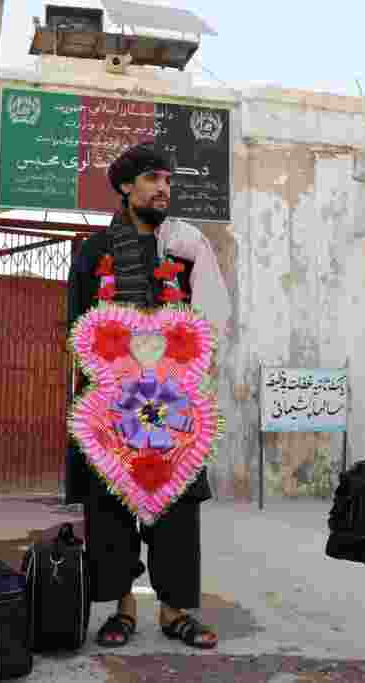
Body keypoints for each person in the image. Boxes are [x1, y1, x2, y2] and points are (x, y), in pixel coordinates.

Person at [65, 143, 230, 650]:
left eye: (167, 180)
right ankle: (123, 609)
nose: (162, 189)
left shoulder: (182, 252)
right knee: (113, 509)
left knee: (177, 508)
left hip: (173, 407)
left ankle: (175, 613)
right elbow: (77, 328)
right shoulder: (94, 254)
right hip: (112, 406)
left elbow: (206, 323)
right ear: (125, 188)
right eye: (151, 179)